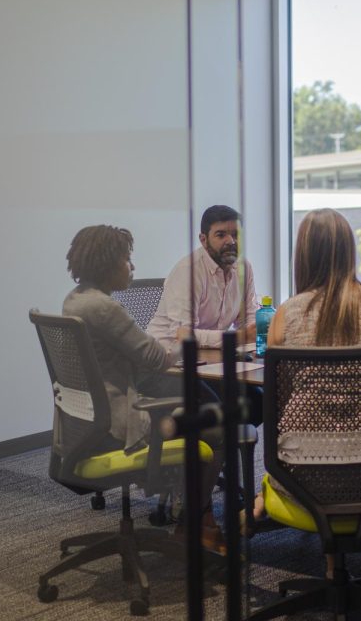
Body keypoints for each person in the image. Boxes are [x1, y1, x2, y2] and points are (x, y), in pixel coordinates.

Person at [252, 209, 361, 569]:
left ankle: (268, 509)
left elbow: (279, 403)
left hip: (301, 475)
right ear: (350, 252)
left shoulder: (285, 315)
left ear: (301, 255)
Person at [62, 224, 225, 552]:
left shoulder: (75, 300)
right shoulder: (104, 308)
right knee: (216, 423)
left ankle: (183, 500)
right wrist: (189, 341)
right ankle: (194, 520)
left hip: (89, 419)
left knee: (195, 396)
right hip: (120, 421)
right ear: (108, 264)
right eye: (127, 259)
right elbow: (156, 356)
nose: (132, 266)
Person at [147, 205, 259, 349]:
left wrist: (255, 331)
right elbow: (183, 334)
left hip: (211, 355)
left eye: (236, 234)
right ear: (203, 239)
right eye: (221, 235)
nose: (231, 241)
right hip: (167, 357)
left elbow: (248, 320)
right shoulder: (188, 271)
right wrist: (241, 337)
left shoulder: (244, 268)